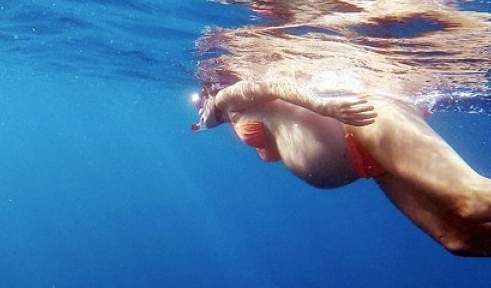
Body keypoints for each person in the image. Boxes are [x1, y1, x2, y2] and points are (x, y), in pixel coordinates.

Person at [193, 77, 491, 256]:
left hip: (367, 123)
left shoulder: (228, 96)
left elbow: (272, 84)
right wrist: (207, 117)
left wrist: (323, 106)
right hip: (370, 164)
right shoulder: (227, 113)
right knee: (458, 239)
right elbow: (209, 119)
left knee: (472, 200)